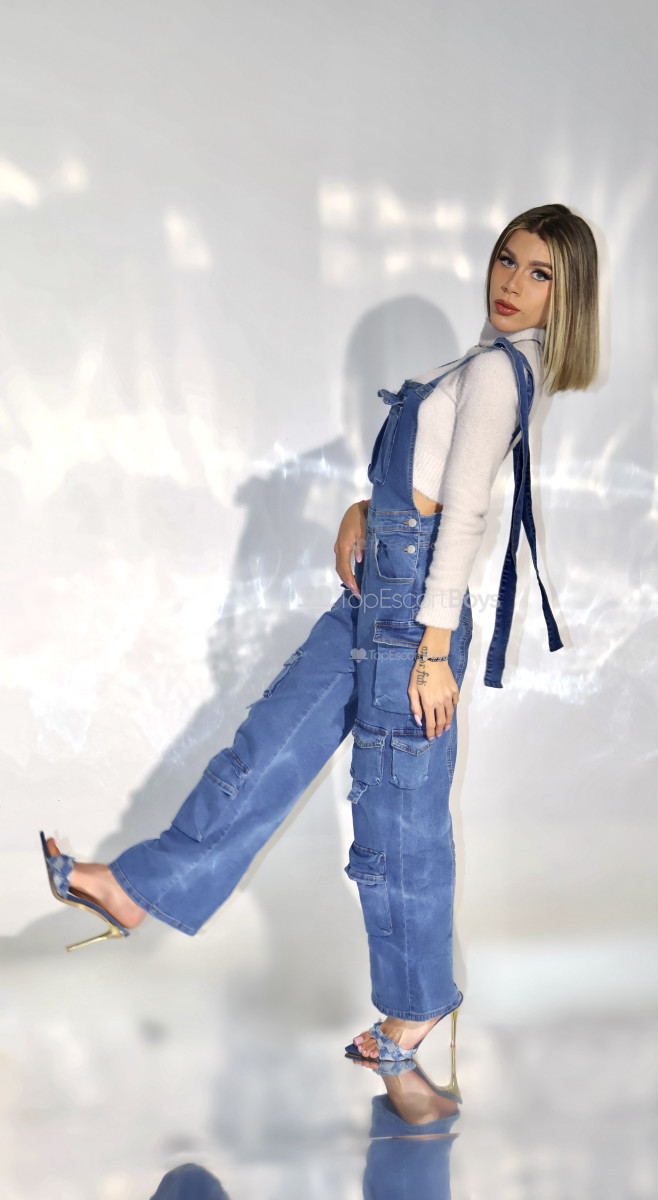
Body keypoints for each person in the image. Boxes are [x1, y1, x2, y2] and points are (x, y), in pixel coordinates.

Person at [41, 203, 600, 1062]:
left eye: (540, 274)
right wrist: (360, 513)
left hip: (413, 617)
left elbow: (464, 517)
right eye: (506, 260)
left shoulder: (499, 374)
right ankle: (135, 889)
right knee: (267, 748)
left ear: (568, 296)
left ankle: (416, 1008)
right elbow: (424, 486)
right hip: (377, 593)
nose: (512, 282)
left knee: (397, 820)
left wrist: (433, 651)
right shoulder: (478, 363)